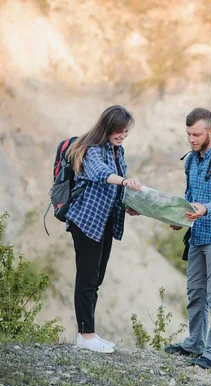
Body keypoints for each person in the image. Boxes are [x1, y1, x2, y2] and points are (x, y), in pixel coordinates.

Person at [164, 108, 211, 369]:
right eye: (188, 134)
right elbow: (190, 196)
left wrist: (206, 209)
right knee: (196, 294)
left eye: (196, 134)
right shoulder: (191, 160)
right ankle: (194, 344)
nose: (191, 139)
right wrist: (181, 219)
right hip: (197, 235)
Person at [65, 105, 142, 353]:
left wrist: (129, 204)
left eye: (126, 132)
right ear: (107, 127)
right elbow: (100, 174)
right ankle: (85, 335)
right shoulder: (90, 150)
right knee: (86, 278)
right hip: (86, 221)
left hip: (106, 222)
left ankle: (90, 333)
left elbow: (116, 188)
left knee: (96, 278)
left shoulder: (118, 151)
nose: (122, 135)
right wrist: (125, 181)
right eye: (119, 131)